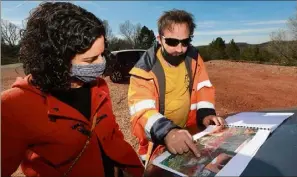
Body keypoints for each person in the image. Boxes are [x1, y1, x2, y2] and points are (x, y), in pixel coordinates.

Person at [1, 2, 144, 177]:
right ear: (56, 61)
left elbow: (112, 135)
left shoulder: (99, 86)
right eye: (90, 60)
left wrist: (136, 170)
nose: (102, 64)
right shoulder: (12, 106)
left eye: (102, 54)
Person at [127, 9, 225, 164]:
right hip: (157, 144)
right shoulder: (144, 70)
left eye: (185, 42)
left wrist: (206, 114)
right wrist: (168, 132)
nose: (179, 49)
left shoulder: (194, 58)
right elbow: (142, 112)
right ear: (159, 39)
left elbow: (203, 88)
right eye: (172, 42)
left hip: (190, 133)